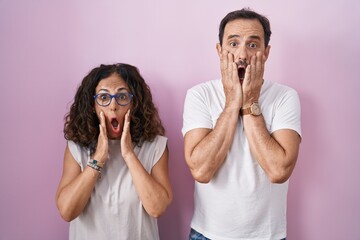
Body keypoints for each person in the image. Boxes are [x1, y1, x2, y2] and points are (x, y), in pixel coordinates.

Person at [182, 8, 301, 240]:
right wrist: (231, 103)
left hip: (267, 236)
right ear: (219, 50)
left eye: (253, 45)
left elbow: (278, 171)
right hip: (207, 234)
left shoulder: (285, 97)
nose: (242, 55)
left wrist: (250, 102)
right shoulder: (200, 95)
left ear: (266, 53)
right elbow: (201, 170)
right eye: (233, 44)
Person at [56, 63, 172, 240]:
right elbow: (67, 211)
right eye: (103, 97)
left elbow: (157, 208)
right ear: (92, 105)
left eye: (122, 96)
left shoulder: (155, 146)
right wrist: (98, 158)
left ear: (135, 103)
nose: (113, 106)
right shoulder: (77, 147)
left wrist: (129, 154)